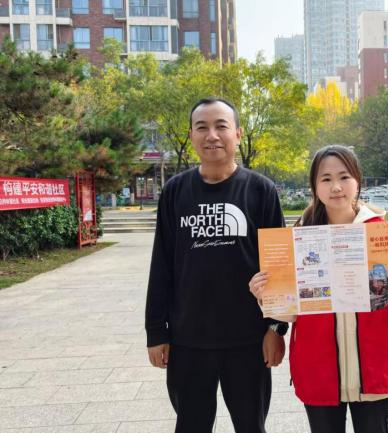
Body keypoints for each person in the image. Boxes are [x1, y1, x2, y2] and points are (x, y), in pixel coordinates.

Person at [249, 145, 388, 433]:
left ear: (357, 180)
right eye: (326, 179)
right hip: (319, 371)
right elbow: (290, 313)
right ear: (314, 186)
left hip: (375, 370)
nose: (336, 187)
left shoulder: (380, 233)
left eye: (344, 177)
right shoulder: (300, 237)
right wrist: (266, 295)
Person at [145, 97, 288, 433]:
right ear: (192, 136)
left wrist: (276, 329)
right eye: (202, 127)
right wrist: (156, 332)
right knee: (191, 425)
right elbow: (161, 265)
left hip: (248, 339)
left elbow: (279, 266)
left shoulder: (261, 191)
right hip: (188, 340)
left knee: (251, 426)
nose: (212, 135)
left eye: (221, 126)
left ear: (237, 133)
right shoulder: (175, 192)